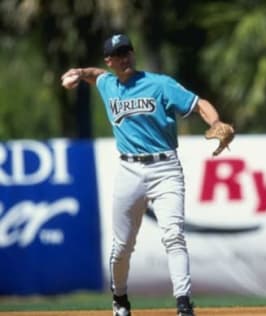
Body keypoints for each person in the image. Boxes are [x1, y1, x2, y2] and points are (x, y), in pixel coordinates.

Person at [61, 34, 234, 316]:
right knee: (122, 247)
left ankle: (183, 303)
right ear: (110, 61)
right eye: (118, 54)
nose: (125, 57)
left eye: (128, 51)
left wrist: (215, 121)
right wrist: (79, 73)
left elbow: (199, 102)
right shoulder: (108, 84)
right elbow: (96, 76)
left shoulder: (159, 84)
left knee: (174, 235)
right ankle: (119, 299)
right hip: (129, 170)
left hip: (165, 168)